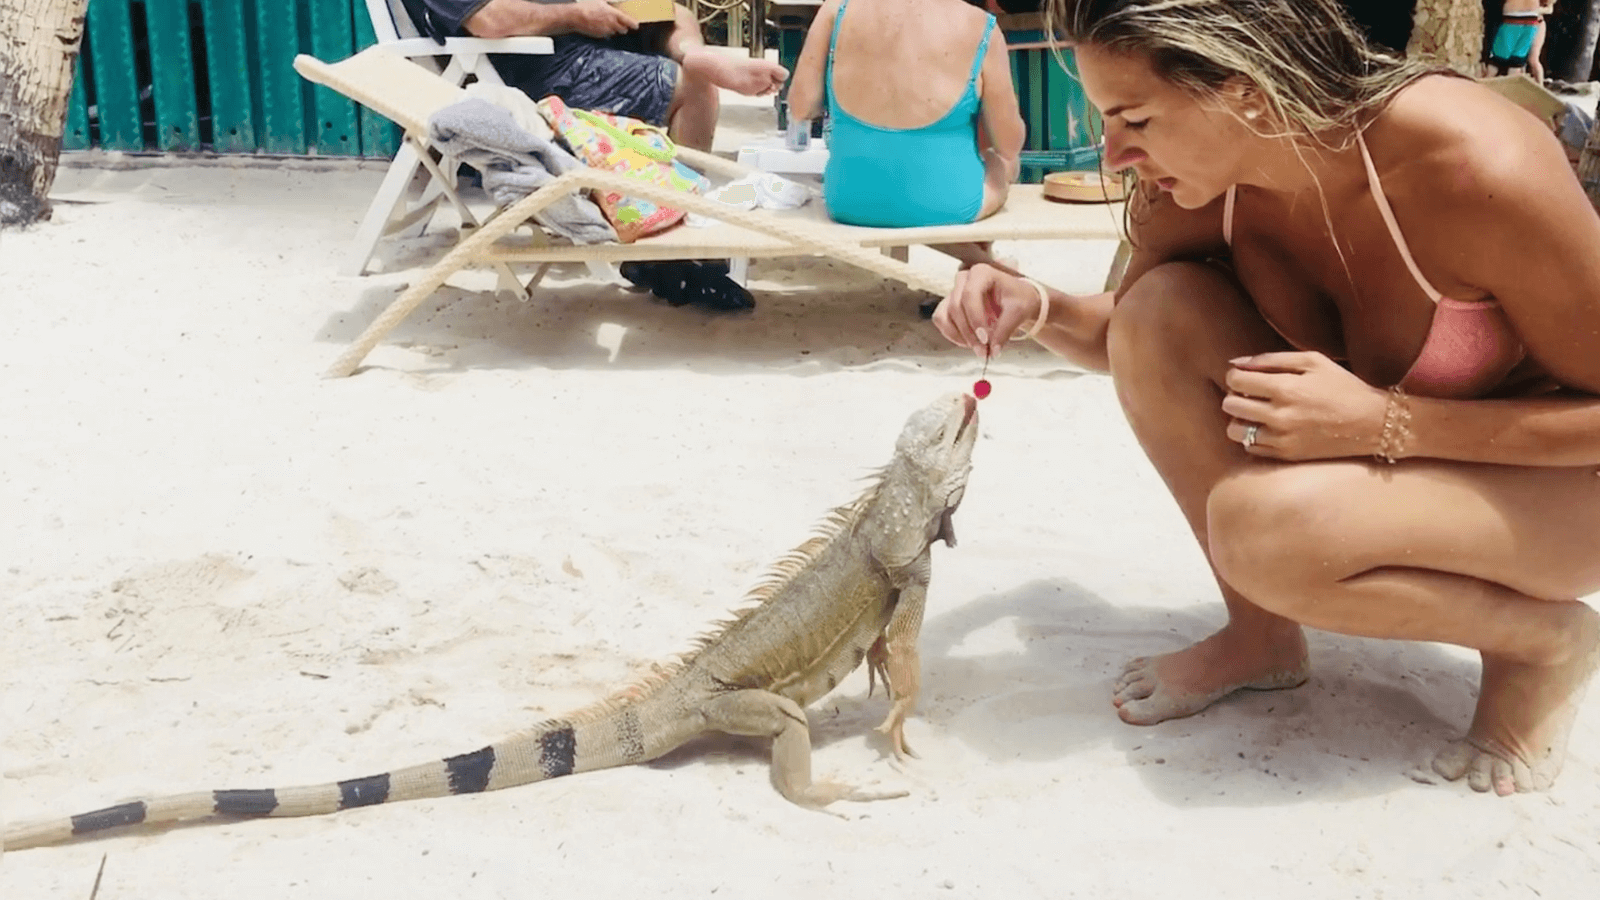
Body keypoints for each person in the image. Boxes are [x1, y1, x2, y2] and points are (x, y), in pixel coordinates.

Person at [933, 0, 1600, 796]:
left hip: (1560, 490)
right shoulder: (1202, 184)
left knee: (1263, 531)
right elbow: (1128, 338)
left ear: (1244, 90)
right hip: (1401, 462)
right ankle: (1262, 639)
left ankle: (1541, 643)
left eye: (1133, 118)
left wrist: (1387, 422)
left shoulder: (1473, 166)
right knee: (1159, 313)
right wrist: (1034, 306)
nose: (1112, 156)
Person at [410, 0, 789, 151]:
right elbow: (489, 20)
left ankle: (696, 53)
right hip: (527, 73)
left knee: (670, 12)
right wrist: (576, 14)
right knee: (690, 87)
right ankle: (675, 248)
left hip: (577, 47)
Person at [782, 0, 1025, 233]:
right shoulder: (981, 25)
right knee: (1003, 163)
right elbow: (1009, 143)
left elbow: (801, 106)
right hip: (951, 205)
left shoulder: (837, 9)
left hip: (850, 201)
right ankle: (982, 265)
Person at [1486, 0, 1545, 77]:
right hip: (1532, 18)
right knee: (1516, 63)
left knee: (1496, 61)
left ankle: (1482, 86)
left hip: (1513, 16)